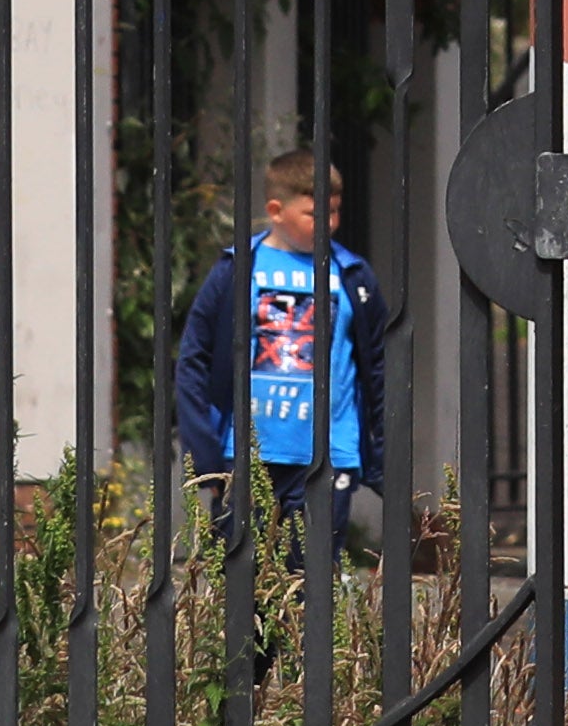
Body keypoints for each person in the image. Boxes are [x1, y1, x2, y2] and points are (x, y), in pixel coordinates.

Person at [169, 147, 400, 569]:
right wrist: (205, 457)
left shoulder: (352, 274)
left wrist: (381, 456)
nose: (328, 224)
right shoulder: (238, 269)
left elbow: (380, 368)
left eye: (334, 212)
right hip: (248, 455)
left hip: (329, 454)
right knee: (242, 586)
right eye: (314, 214)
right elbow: (194, 359)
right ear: (276, 210)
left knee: (310, 587)